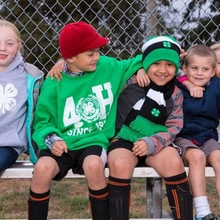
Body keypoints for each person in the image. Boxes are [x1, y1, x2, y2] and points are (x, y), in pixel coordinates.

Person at [27, 21, 143, 220]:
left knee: (93, 165)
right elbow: (42, 122)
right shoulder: (54, 81)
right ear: (70, 57)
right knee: (42, 169)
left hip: (93, 141)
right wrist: (52, 140)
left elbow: (141, 60)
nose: (97, 57)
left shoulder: (107, 66)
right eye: (91, 54)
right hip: (62, 143)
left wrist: (142, 67)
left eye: (98, 51)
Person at [107, 36, 193, 220]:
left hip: (156, 142)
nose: (163, 70)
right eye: (156, 64)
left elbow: (174, 127)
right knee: (119, 163)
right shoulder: (129, 80)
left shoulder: (175, 93)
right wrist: (138, 67)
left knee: (173, 161)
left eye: (169, 65)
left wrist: (152, 142)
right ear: (146, 64)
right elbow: (101, 65)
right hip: (124, 139)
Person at [174, 45, 220, 220]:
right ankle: (202, 212)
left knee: (219, 158)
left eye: (205, 69)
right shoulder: (178, 84)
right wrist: (185, 80)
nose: (199, 73)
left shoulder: (216, 85)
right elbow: (169, 72)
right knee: (197, 157)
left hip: (207, 136)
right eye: (194, 68)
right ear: (185, 69)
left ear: (213, 71)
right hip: (182, 136)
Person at [0, 19, 44, 172]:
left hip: (8, 144)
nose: (2, 48)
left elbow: (63, 74)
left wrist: (60, 63)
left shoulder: (30, 75)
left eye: (9, 44)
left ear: (18, 46)